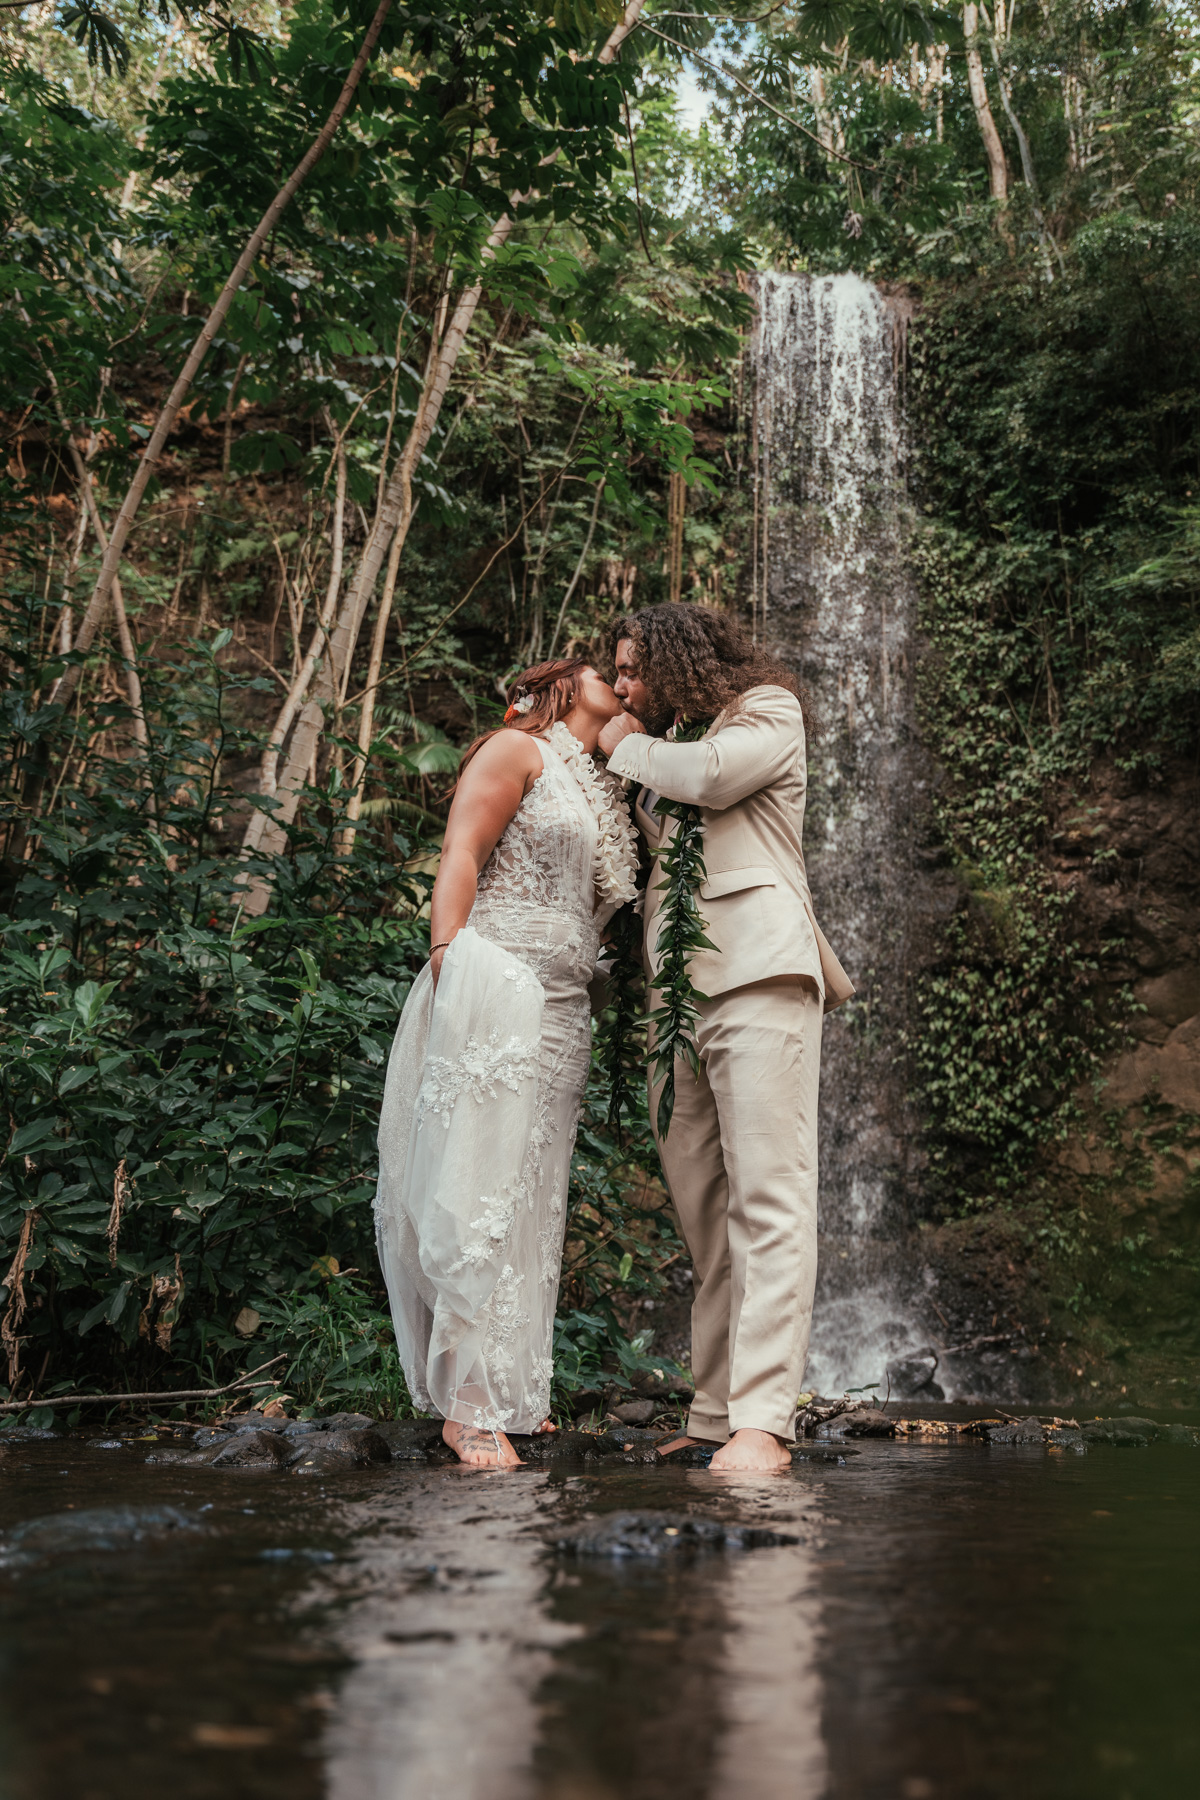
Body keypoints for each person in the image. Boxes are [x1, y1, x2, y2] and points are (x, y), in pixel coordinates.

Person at [597, 603, 854, 1473]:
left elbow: (709, 777)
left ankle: (764, 1422)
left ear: (677, 661)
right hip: (676, 996)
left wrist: (622, 744)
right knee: (706, 1217)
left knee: (768, 1201)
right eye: (616, 672)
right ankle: (713, 1414)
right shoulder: (662, 748)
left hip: (759, 974)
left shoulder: (766, 713)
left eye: (632, 669)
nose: (621, 687)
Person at [374, 659, 638, 1468]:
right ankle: (466, 1404)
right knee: (480, 1184)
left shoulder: (603, 781)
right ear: (563, 685)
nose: (619, 678)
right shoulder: (517, 749)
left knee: (533, 1195)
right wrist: (447, 957)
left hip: (565, 1008)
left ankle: (513, 1389)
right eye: (604, 669)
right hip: (498, 984)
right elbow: (463, 849)